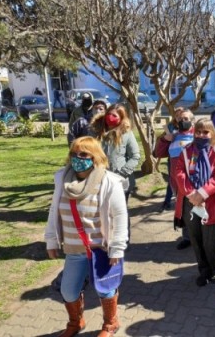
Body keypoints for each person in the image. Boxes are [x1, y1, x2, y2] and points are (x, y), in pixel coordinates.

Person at [45, 136, 128, 337]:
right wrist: (51, 240)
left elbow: (119, 216)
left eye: (84, 154)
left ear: (95, 157)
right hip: (74, 250)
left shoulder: (109, 181)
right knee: (68, 291)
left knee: (105, 290)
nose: (78, 157)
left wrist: (117, 248)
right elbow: (53, 210)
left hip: (101, 250)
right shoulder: (62, 179)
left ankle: (111, 323)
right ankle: (76, 322)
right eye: (74, 153)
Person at [174, 118, 215, 286]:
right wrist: (191, 193)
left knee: (211, 241)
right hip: (190, 202)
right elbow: (179, 172)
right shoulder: (187, 151)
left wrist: (202, 193)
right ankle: (203, 270)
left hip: (212, 202)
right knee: (195, 239)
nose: (201, 135)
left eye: (205, 132)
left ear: (212, 133)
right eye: (198, 132)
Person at [91, 104, 141, 239]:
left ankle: (123, 239)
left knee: (119, 211)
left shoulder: (126, 134)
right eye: (109, 114)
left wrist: (121, 173)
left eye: (115, 115)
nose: (110, 117)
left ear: (121, 118)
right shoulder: (96, 131)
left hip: (120, 181)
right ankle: (105, 238)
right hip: (99, 180)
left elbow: (135, 156)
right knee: (101, 211)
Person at [154, 108, 195, 250]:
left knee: (198, 209)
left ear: (192, 120)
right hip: (177, 183)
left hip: (196, 182)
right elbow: (158, 153)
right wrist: (165, 139)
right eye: (179, 119)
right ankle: (187, 238)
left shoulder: (198, 135)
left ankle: (201, 237)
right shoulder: (173, 136)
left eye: (185, 119)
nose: (182, 121)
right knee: (183, 210)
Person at [158, 107, 185, 212]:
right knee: (172, 179)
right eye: (177, 115)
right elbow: (163, 141)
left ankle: (184, 201)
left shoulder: (189, 125)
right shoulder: (170, 126)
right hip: (173, 157)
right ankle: (167, 201)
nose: (179, 118)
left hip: (186, 156)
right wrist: (167, 137)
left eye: (181, 115)